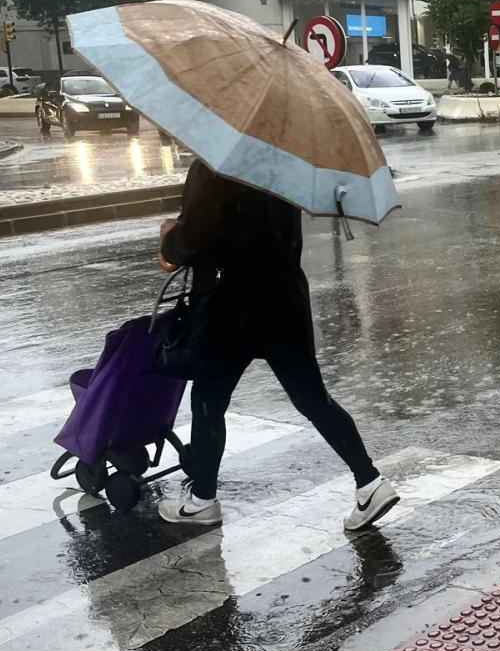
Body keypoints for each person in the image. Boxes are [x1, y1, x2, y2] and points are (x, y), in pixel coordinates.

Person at [154, 160, 397, 529]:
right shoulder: (284, 163)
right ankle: (370, 482)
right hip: (283, 302)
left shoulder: (215, 166)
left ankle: (202, 499)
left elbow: (192, 239)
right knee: (314, 400)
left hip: (229, 308)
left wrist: (171, 236)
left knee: (208, 400)